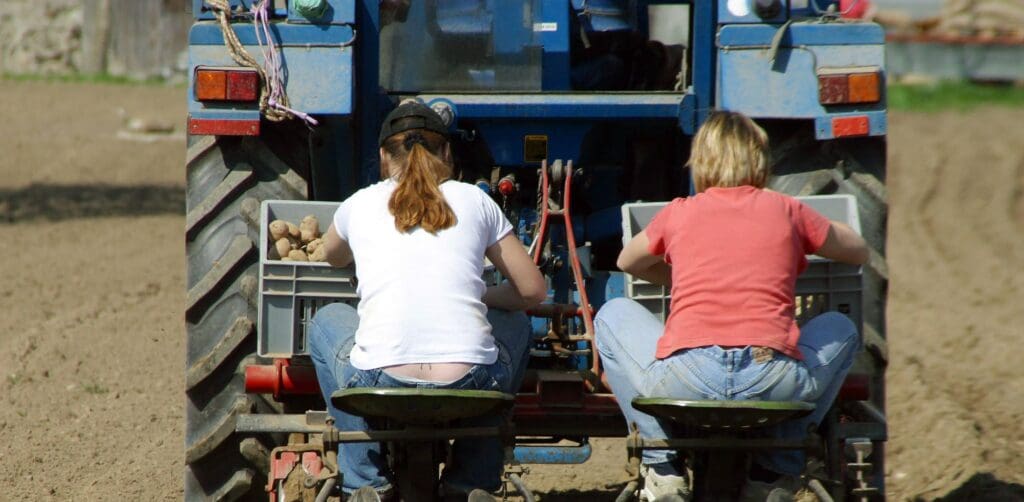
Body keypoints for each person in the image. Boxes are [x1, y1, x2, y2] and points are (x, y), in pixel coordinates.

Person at [595, 110, 869, 501]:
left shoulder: (680, 211)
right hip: (772, 379)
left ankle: (662, 467)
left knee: (611, 314)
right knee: (841, 328)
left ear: (701, 162)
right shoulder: (787, 209)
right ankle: (775, 472)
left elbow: (627, 261)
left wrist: (685, 277)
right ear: (760, 161)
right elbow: (857, 252)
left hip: (686, 378)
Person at [308, 101, 546, 501]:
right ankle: (470, 481)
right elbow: (532, 291)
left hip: (378, 381)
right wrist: (482, 296)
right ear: (447, 154)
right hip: (469, 381)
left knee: (326, 320)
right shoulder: (476, 199)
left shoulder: (359, 203)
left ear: (384, 158)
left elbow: (330, 256)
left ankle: (365, 481)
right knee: (516, 324)